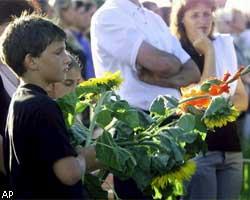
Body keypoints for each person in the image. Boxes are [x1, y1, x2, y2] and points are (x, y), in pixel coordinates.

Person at [91, 0, 200, 198]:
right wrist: (172, 67)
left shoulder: (153, 18)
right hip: (133, 128)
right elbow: (162, 63)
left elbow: (193, 72)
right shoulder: (109, 15)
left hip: (170, 124)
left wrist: (160, 79)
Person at [0, 14, 89, 199]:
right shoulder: (44, 106)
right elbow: (69, 174)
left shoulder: (20, 99)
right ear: (31, 61)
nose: (67, 59)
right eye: (58, 52)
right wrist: (87, 157)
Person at [170, 0, 248, 199]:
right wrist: (209, 52)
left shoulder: (223, 45)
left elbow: (242, 100)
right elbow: (203, 102)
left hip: (231, 149)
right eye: (195, 15)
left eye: (207, 14)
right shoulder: (177, 54)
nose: (203, 20)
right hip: (199, 154)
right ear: (181, 21)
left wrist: (216, 109)